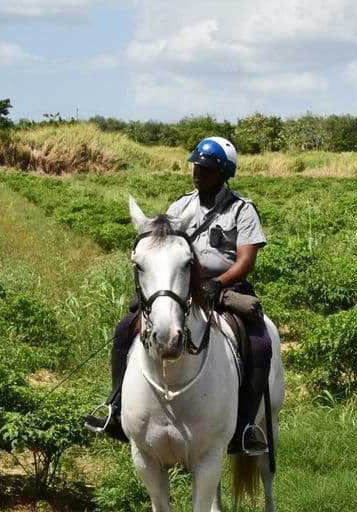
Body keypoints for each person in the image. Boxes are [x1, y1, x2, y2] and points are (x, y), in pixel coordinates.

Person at [83, 136, 273, 455]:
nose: (198, 173)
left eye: (207, 168)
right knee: (123, 329)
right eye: (196, 166)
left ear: (224, 173)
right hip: (179, 288)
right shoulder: (180, 206)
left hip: (226, 288)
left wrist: (217, 283)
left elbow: (245, 260)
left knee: (259, 341)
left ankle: (245, 425)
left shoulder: (242, 210)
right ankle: (115, 409)